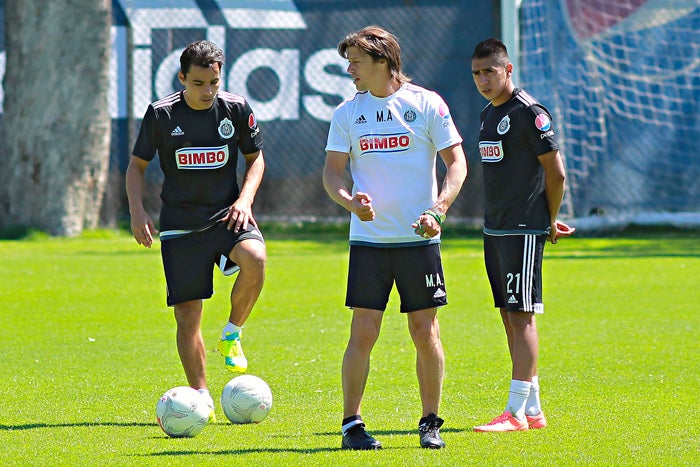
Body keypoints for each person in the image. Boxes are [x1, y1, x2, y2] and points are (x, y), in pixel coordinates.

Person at [323, 25, 468, 450]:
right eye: (348, 61)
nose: (349, 69)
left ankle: (429, 423)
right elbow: (332, 175)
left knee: (425, 332)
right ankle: (352, 425)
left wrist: (438, 209)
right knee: (363, 331)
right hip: (368, 242)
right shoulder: (347, 113)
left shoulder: (426, 104)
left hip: (419, 241)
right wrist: (351, 202)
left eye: (356, 61)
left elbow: (456, 165)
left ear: (382, 62)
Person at [125, 40, 267, 419]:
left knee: (256, 257)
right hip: (180, 225)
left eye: (214, 83)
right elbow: (136, 166)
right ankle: (201, 395)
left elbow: (256, 160)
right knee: (188, 316)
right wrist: (137, 211)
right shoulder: (161, 114)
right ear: (182, 78)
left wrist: (244, 201)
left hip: (227, 215)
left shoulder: (235, 109)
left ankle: (232, 333)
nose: (208, 91)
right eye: (200, 83)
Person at [469, 38, 574, 432]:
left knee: (522, 315)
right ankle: (532, 409)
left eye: (490, 72)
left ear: (508, 70)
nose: (483, 79)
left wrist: (549, 219)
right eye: (477, 73)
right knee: (508, 315)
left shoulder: (530, 113)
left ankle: (513, 413)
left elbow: (556, 172)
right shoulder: (486, 115)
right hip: (495, 228)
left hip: (522, 228)